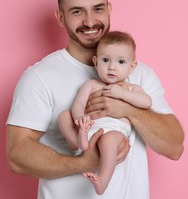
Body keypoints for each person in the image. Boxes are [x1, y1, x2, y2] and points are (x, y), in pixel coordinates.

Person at [6, 0, 184, 199]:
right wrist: (83, 163)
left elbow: (174, 147)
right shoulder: (39, 77)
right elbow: (17, 157)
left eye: (98, 9)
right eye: (77, 11)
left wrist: (127, 110)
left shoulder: (140, 74)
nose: (90, 21)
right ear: (60, 18)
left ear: (109, 9)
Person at [58, 31, 152, 195]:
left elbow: (146, 102)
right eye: (105, 60)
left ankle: (103, 180)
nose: (112, 67)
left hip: (115, 131)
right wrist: (80, 117)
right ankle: (79, 141)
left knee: (108, 140)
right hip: (90, 126)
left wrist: (122, 94)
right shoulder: (92, 84)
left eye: (121, 61)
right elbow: (79, 103)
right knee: (64, 116)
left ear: (132, 67)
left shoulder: (130, 88)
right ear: (95, 62)